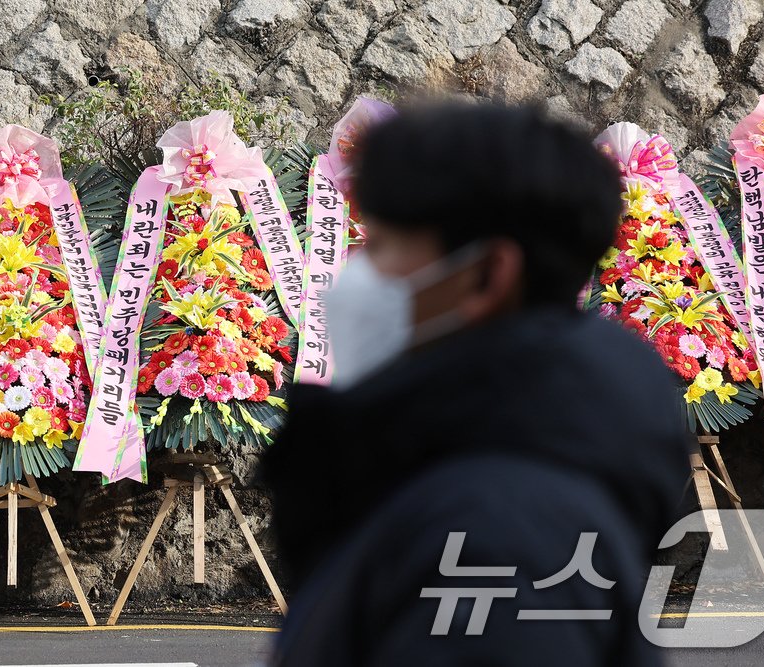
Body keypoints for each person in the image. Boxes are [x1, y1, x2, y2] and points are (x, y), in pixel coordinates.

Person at [263, 102, 691, 665]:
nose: (355, 277)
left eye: (385, 247)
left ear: (488, 275)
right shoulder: (468, 471)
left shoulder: (503, 536)